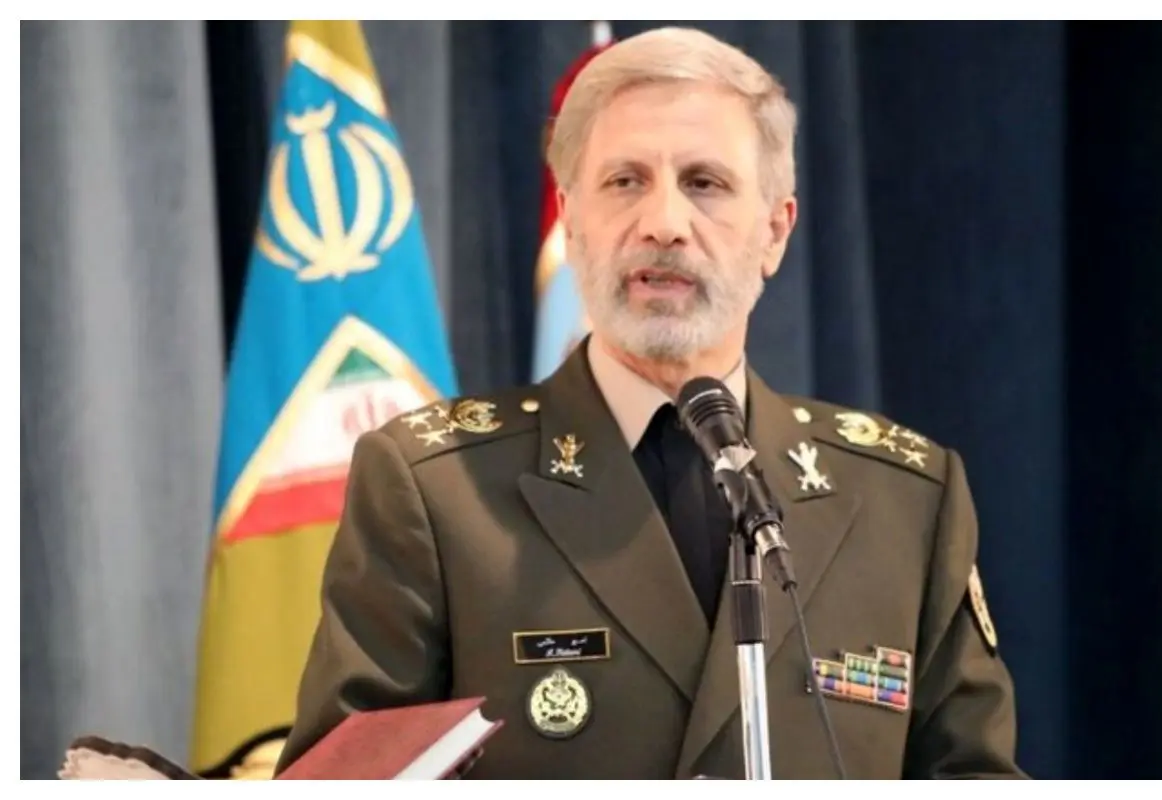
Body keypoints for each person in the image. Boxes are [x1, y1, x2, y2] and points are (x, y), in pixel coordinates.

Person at [274, 26, 1026, 780]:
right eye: (625, 181)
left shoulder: (906, 502)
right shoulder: (437, 492)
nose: (663, 223)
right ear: (572, 222)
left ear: (775, 231)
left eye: (704, 183)